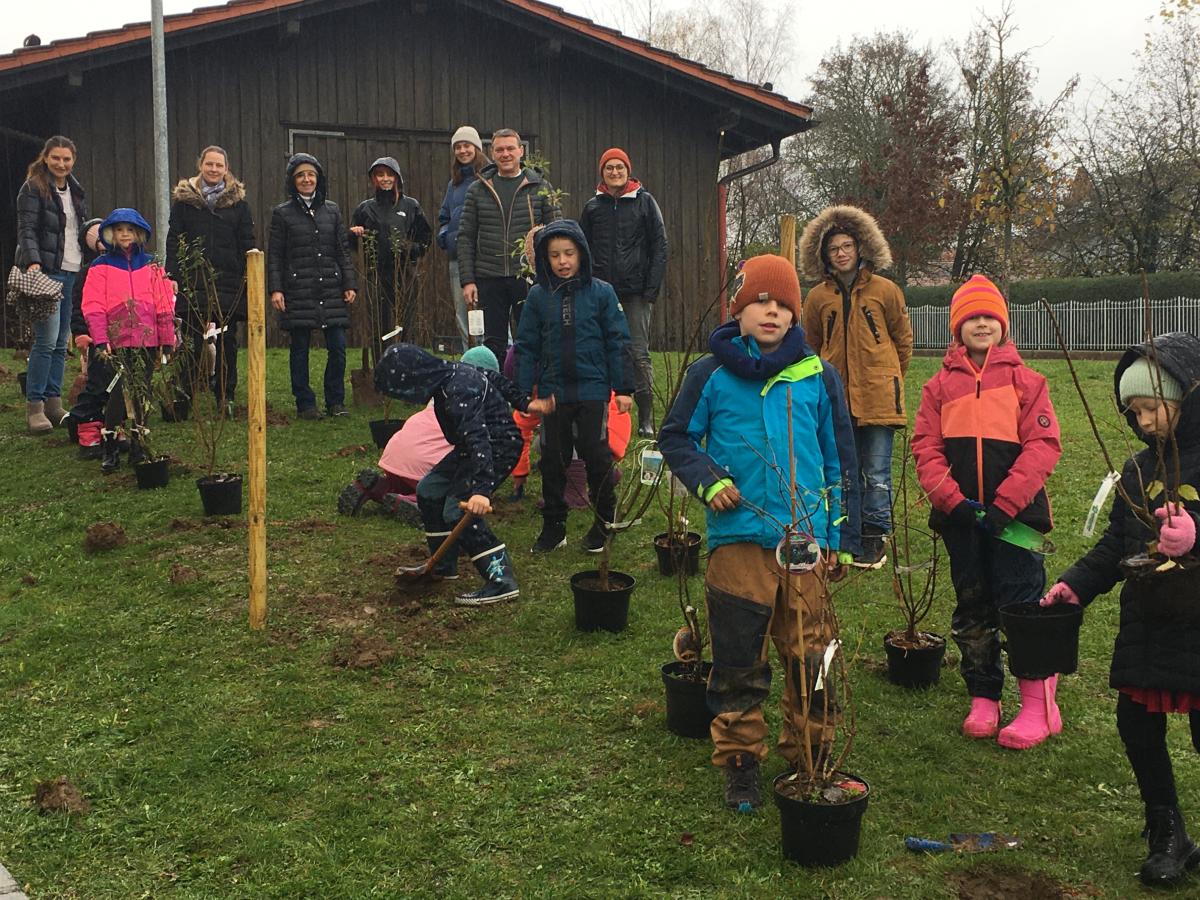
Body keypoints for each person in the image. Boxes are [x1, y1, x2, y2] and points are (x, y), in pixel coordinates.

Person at [658, 254, 860, 812]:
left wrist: (839, 536)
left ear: (795, 315)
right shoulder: (710, 374)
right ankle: (741, 759)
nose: (771, 313)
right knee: (738, 654)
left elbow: (840, 458)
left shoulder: (818, 376)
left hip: (805, 542)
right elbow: (676, 439)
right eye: (759, 303)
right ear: (739, 311)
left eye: (782, 305)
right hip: (739, 539)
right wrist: (708, 481)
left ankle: (811, 753)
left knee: (811, 653)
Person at [1041, 333, 1200, 886]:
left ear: (1186, 397)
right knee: (1137, 725)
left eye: (1152, 408)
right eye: (1134, 413)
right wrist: (1076, 585)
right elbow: (1118, 544)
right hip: (1151, 621)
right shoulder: (1136, 470)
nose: (1143, 422)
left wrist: (1195, 536)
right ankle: (1167, 830)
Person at [911, 275, 1062, 747]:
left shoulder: (1027, 382)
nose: (981, 323)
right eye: (971, 317)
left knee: (1021, 605)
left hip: (1016, 520)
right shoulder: (938, 388)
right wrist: (950, 500)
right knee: (973, 604)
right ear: (957, 327)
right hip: (962, 521)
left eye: (989, 316)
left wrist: (1006, 504)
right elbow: (925, 448)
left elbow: (1042, 446)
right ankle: (984, 695)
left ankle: (1038, 704)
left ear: (1003, 324)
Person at [374, 343, 554, 606]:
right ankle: (443, 566)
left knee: (458, 511)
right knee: (428, 490)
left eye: (401, 392)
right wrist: (525, 402)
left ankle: (501, 580)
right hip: (471, 448)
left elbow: (478, 439)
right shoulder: (451, 372)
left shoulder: (457, 391)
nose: (404, 399)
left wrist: (480, 491)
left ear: (414, 378)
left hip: (497, 448)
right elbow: (492, 376)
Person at [799, 205, 913, 567]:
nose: (842, 253)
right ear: (824, 255)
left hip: (879, 393)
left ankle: (875, 535)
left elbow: (902, 341)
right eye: (834, 249)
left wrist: (888, 378)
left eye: (847, 246)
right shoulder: (817, 297)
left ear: (860, 247)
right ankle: (846, 531)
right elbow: (811, 345)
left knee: (877, 468)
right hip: (835, 395)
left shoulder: (886, 290)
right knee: (844, 467)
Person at [514, 220, 633, 553]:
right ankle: (554, 526)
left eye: (569, 253)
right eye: (554, 255)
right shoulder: (538, 297)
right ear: (544, 259)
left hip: (594, 391)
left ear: (582, 254)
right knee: (552, 459)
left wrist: (624, 388)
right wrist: (523, 394)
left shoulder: (602, 293)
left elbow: (618, 340)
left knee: (597, 457)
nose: (563, 261)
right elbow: (526, 347)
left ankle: (604, 522)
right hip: (553, 395)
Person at [337, 346, 496, 523]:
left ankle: (380, 487)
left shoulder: (442, 391)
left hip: (395, 456)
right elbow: (480, 445)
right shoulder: (479, 401)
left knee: (402, 481)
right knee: (450, 486)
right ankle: (415, 501)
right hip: (425, 466)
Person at [580, 147, 668, 437]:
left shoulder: (645, 203)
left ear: (628, 171)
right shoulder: (593, 207)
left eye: (619, 167)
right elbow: (581, 249)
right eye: (609, 168)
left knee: (638, 354)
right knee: (600, 350)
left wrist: (651, 289)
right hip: (601, 292)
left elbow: (660, 246)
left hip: (637, 293)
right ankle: (602, 413)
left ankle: (646, 417)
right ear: (602, 172)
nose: (615, 172)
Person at [81, 209, 177, 473]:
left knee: (142, 390)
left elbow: (164, 304)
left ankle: (138, 443)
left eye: (130, 229)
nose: (125, 234)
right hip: (116, 339)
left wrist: (166, 338)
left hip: (147, 340)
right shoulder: (100, 267)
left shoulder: (152, 266)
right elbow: (93, 306)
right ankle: (109, 444)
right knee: (119, 392)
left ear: (139, 234)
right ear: (111, 233)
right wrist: (101, 339)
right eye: (120, 229)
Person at [456, 128, 561, 361]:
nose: (505, 154)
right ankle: (498, 392)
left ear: (521, 151)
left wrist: (552, 277)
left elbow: (558, 234)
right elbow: (465, 236)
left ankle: (528, 392)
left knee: (532, 339)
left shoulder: (541, 188)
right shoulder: (477, 189)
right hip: (488, 277)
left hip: (528, 277)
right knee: (493, 344)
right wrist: (468, 280)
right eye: (500, 149)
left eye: (510, 148)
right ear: (492, 154)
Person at [165, 145, 256, 412]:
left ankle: (224, 395)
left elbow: (247, 241)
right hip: (193, 280)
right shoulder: (184, 203)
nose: (214, 169)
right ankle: (185, 394)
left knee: (227, 340)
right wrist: (173, 273)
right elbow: (175, 239)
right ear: (200, 166)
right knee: (191, 339)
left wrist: (247, 276)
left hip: (228, 282)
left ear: (226, 169)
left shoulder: (239, 205)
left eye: (219, 165)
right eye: (210, 164)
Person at [268, 153, 357, 420]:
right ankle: (305, 404)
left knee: (338, 347)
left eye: (311, 175)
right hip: (298, 290)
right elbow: (275, 254)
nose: (306, 179)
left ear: (318, 178)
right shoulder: (282, 214)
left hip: (330, 287)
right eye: (300, 175)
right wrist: (276, 288)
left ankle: (336, 401)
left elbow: (342, 250)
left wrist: (349, 282)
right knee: (300, 349)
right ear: (292, 181)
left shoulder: (332, 210)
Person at [15, 135, 88, 434]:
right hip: (46, 271)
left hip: (72, 271)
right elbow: (27, 228)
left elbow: (77, 230)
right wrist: (33, 261)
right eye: (56, 158)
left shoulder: (76, 190)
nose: (61, 163)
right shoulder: (33, 188)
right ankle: (35, 407)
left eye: (66, 159)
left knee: (61, 343)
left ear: (73, 161)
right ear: (46, 157)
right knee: (45, 340)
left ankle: (54, 404)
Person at [349, 156, 431, 340]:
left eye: (389, 174)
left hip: (405, 274)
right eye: (380, 175)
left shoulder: (411, 206)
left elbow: (426, 239)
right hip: (375, 275)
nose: (385, 178)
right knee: (379, 326)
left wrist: (409, 249)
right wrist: (353, 234)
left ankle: (405, 363)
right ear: (374, 179)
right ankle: (381, 365)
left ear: (397, 178)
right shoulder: (365, 209)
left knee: (406, 324)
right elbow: (352, 245)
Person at [437, 126, 486, 351]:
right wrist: (445, 235)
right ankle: (470, 365)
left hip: (483, 258)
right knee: (463, 315)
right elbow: (444, 216)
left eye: (467, 145)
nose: (463, 150)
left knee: (488, 314)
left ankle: (496, 367)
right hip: (457, 258)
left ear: (477, 147)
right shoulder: (453, 184)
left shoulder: (488, 178)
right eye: (458, 147)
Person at [67, 217, 109, 459]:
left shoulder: (123, 269)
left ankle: (114, 427)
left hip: (121, 337)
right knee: (95, 383)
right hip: (96, 338)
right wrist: (81, 332)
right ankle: (87, 428)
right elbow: (78, 307)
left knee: (119, 385)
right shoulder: (86, 273)